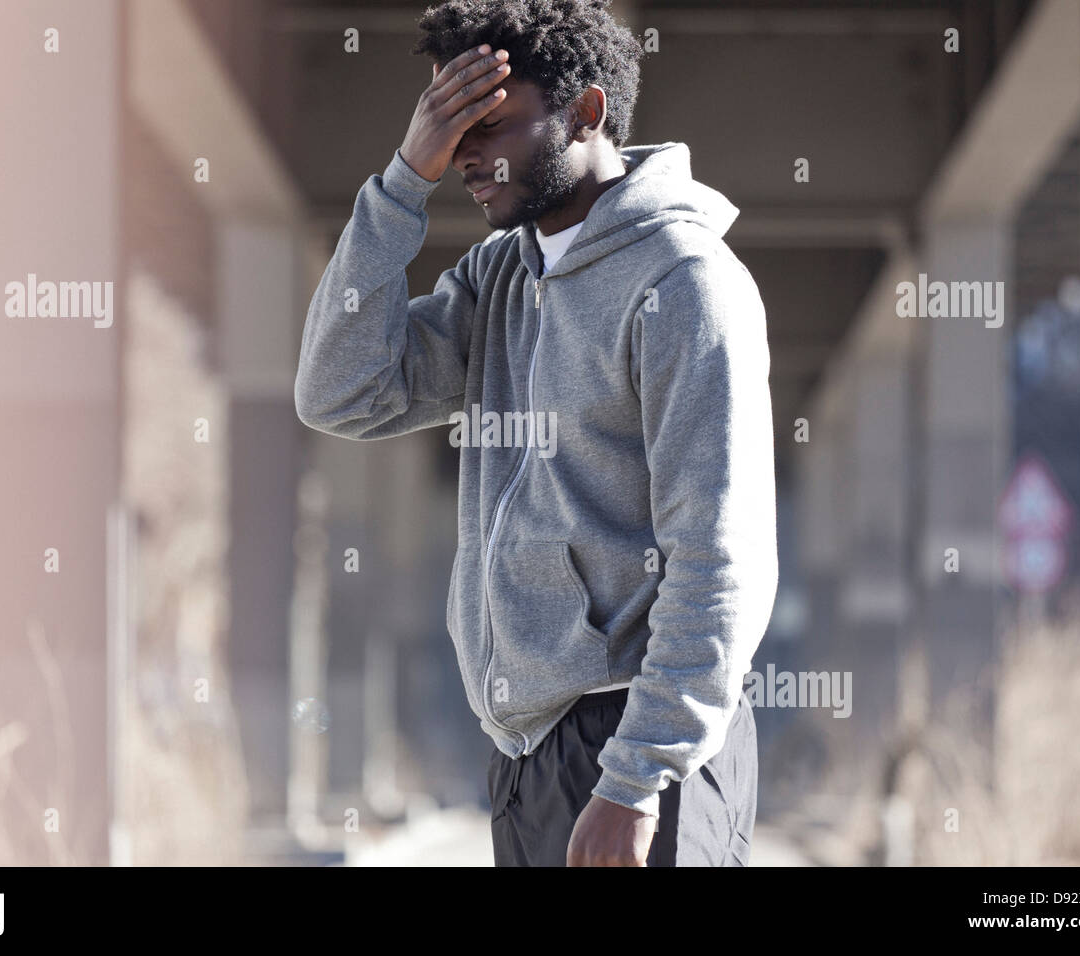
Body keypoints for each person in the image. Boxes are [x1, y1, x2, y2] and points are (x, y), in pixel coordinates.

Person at [294, 0, 778, 867]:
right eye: (450, 128)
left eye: (490, 123)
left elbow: (718, 558)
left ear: (587, 112)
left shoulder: (688, 282)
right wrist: (405, 178)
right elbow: (342, 392)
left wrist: (634, 780)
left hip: (636, 744)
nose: (467, 156)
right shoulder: (500, 278)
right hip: (527, 754)